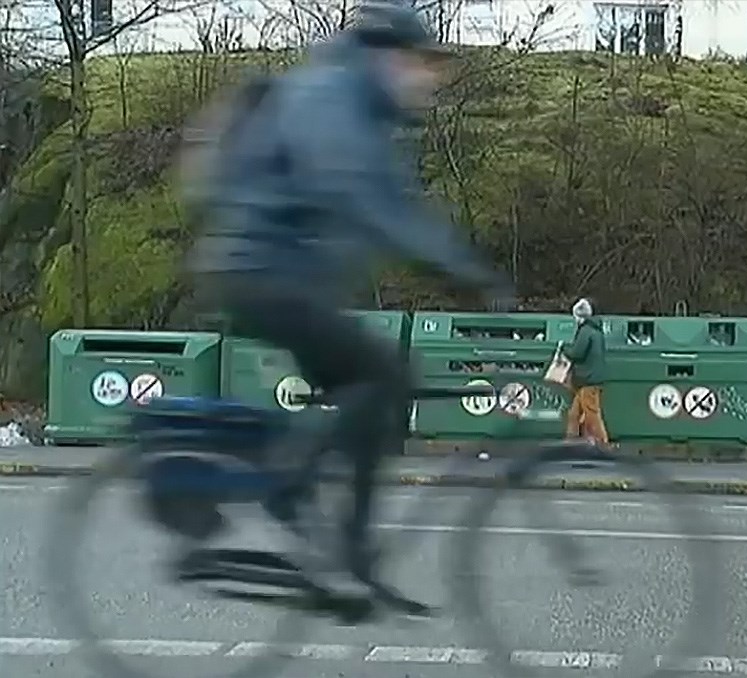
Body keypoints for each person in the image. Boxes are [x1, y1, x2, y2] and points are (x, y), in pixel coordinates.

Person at [182, 0, 514, 607]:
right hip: (257, 270)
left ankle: (331, 529)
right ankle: (306, 503)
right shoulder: (330, 98)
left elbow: (401, 207)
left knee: (372, 386)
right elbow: (359, 196)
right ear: (386, 58)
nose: (429, 81)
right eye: (421, 65)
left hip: (279, 274)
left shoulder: (362, 112)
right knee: (383, 373)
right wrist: (461, 272)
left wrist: (462, 265)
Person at [562, 298, 609, 444]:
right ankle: (571, 440)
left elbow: (576, 353)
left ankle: (603, 443)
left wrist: (563, 348)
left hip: (587, 380)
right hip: (590, 379)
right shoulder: (597, 330)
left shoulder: (585, 331)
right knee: (574, 414)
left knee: (592, 414)